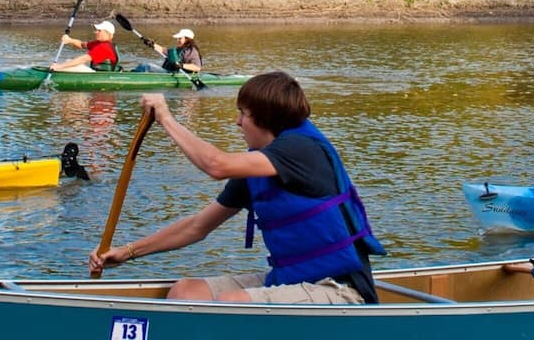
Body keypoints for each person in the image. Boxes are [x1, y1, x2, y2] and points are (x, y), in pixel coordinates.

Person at [87, 72, 386, 304]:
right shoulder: (256, 170)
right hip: (291, 280)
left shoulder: (302, 150)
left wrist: (166, 118)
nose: (237, 122)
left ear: (265, 119)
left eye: (243, 113)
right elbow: (196, 227)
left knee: (232, 303)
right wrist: (127, 252)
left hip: (340, 289)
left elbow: (215, 165)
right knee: (186, 293)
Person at [50, 20, 121, 72]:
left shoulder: (104, 47)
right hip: (97, 73)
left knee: (67, 64)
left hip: (103, 76)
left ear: (108, 33)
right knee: (68, 62)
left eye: (99, 31)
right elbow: (82, 44)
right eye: (96, 30)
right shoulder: (99, 43)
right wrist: (69, 40)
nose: (95, 32)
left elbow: (83, 59)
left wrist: (60, 66)